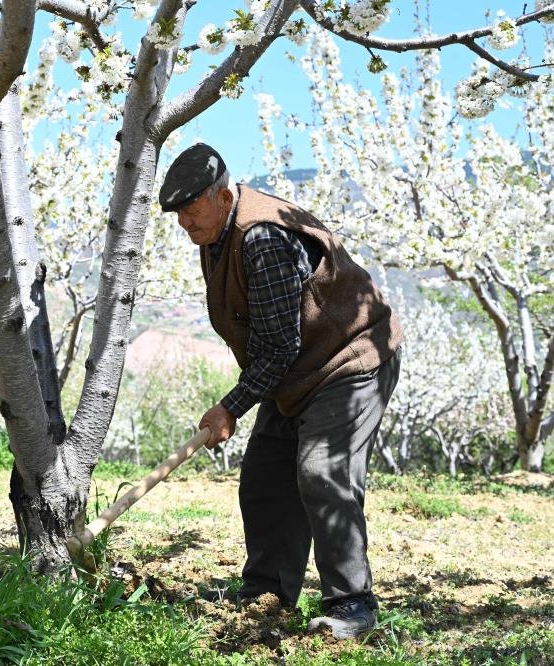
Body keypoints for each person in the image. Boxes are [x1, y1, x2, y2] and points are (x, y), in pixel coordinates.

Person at [159, 143, 403, 640]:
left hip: (347, 361)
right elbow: (273, 342)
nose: (185, 223)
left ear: (224, 197)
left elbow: (278, 343)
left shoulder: (261, 238)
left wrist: (230, 406)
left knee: (322, 471)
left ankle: (352, 604)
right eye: (178, 215)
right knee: (266, 479)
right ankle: (266, 595)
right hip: (295, 370)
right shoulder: (216, 232)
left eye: (190, 210)